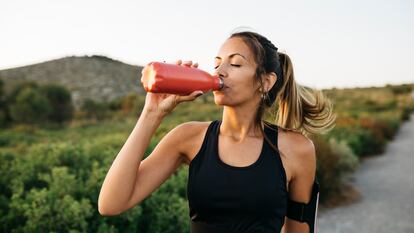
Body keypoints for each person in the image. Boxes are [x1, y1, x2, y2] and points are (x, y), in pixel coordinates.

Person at [98, 31, 336, 233]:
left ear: (265, 82)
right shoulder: (188, 138)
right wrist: (152, 113)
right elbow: (111, 204)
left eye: (235, 64)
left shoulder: (296, 149)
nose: (219, 71)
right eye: (217, 63)